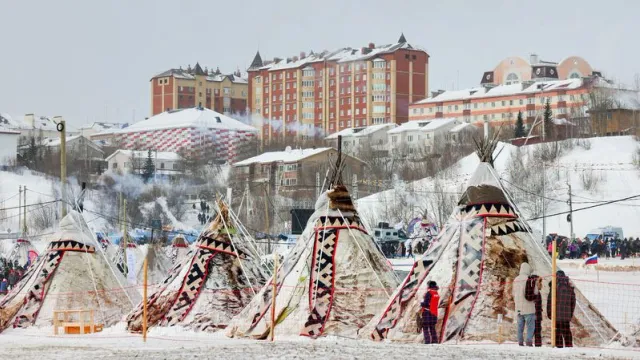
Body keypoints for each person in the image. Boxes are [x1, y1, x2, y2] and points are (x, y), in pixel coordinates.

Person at [547, 270, 576, 348]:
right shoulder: (570, 287)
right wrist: (570, 314)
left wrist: (549, 313)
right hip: (566, 316)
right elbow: (573, 303)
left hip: (556, 316)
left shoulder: (554, 287)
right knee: (567, 333)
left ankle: (559, 349)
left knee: (558, 334)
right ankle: (569, 348)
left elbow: (550, 301)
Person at [513, 262, 536, 346]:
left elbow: (513, 293)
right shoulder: (529, 279)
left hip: (518, 308)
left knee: (520, 327)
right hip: (529, 307)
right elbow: (535, 292)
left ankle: (520, 341)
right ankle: (529, 341)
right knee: (530, 326)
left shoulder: (516, 279)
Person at [525, 274, 543, 347]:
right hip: (534, 313)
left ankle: (536, 344)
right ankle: (534, 344)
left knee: (536, 329)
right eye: (539, 282)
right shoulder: (534, 293)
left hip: (536, 313)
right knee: (534, 330)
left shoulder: (536, 292)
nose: (541, 284)